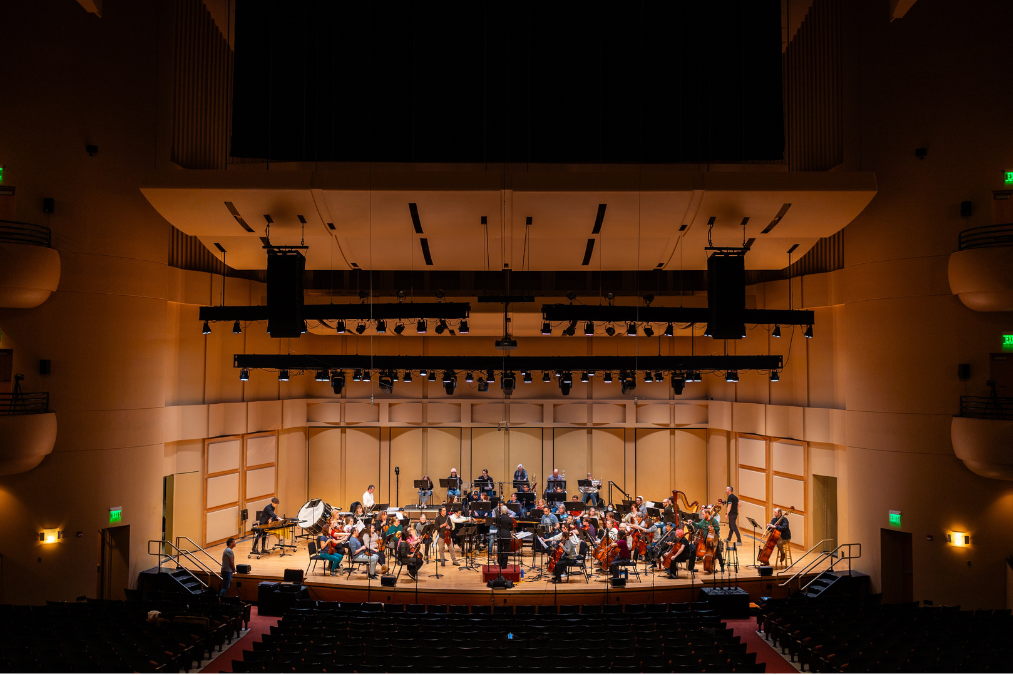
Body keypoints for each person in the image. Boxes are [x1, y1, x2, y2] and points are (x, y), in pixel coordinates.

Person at [493, 503, 516, 568]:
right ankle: (504, 565)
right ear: (507, 511)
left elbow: (496, 525)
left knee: (500, 548)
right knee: (506, 550)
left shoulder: (498, 517)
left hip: (500, 534)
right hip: (506, 535)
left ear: (501, 511)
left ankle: (500, 563)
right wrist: (507, 529)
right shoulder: (509, 518)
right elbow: (511, 528)